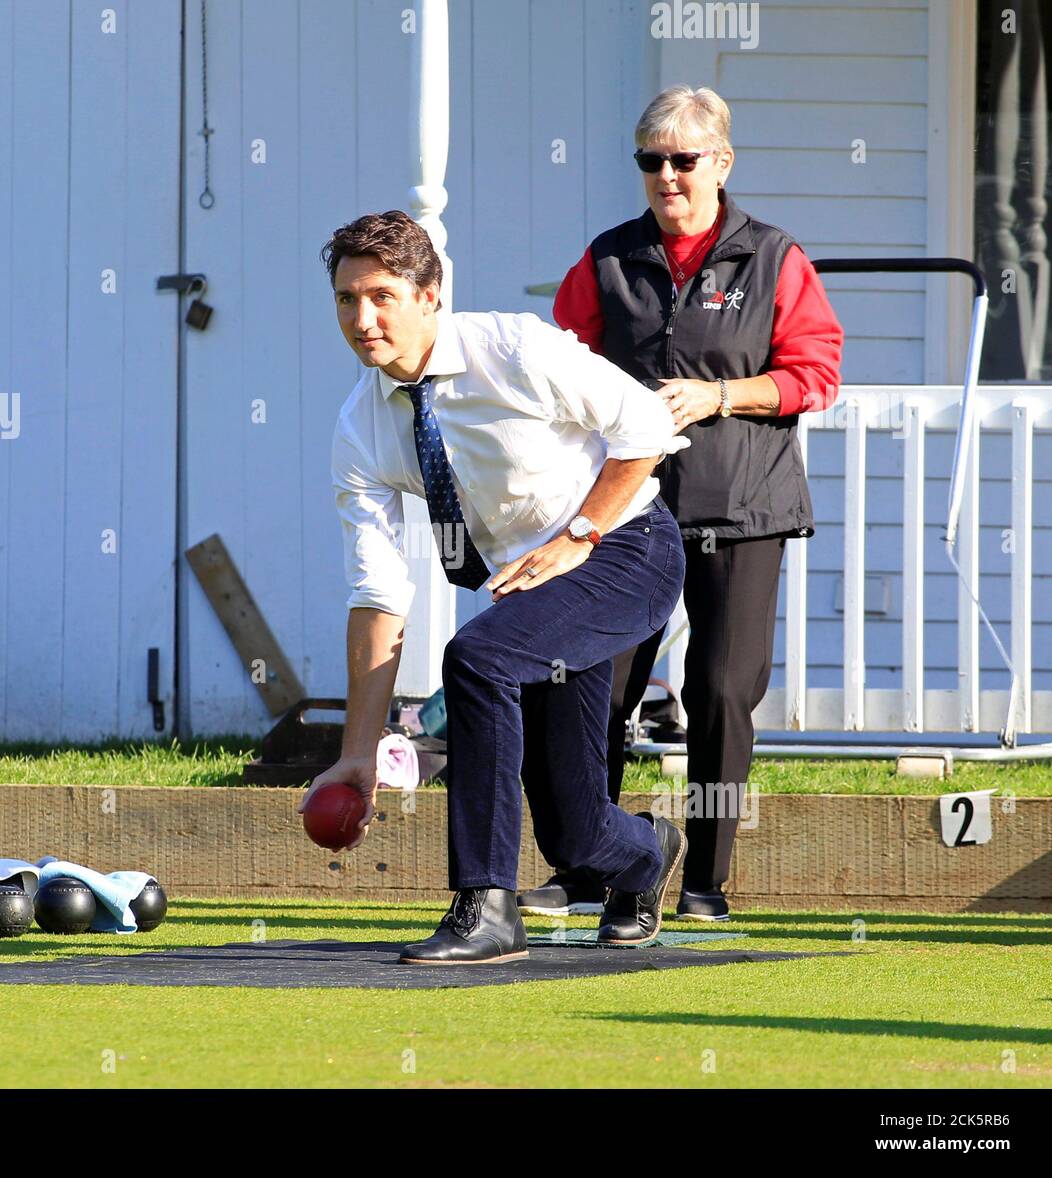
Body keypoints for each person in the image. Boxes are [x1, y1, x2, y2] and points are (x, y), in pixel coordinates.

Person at [302, 210, 688, 963]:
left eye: (381, 295)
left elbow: (645, 426)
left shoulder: (510, 348)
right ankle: (645, 854)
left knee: (475, 657)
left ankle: (486, 907)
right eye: (347, 299)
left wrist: (579, 536)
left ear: (430, 295)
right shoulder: (361, 428)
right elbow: (379, 594)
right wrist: (359, 752)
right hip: (530, 597)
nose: (362, 317)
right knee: (574, 831)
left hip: (626, 549)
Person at [519, 85, 844, 922]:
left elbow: (816, 376)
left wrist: (721, 395)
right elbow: (558, 369)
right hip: (628, 508)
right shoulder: (607, 259)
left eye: (683, 159)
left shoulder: (775, 257)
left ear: (721, 163)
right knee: (593, 683)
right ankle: (590, 865)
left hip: (743, 508)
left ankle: (706, 878)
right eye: (650, 161)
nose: (667, 175)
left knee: (720, 692)